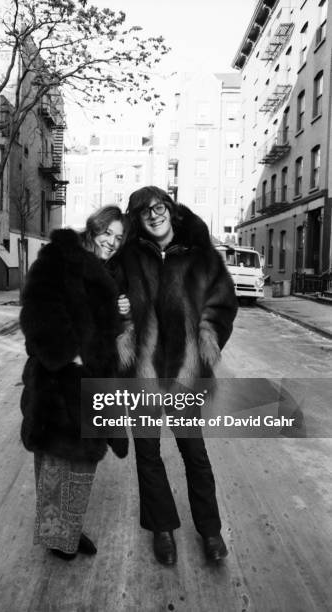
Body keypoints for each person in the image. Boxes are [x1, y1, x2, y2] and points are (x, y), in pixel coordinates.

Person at [110, 186, 238, 566]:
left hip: (183, 372)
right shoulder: (127, 257)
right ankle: (162, 528)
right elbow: (100, 292)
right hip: (143, 375)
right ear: (136, 219)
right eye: (144, 211)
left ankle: (210, 530)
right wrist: (118, 312)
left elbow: (223, 302)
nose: (154, 215)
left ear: (170, 209)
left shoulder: (198, 253)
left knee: (194, 453)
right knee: (148, 454)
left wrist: (207, 339)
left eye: (159, 206)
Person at [20, 206, 129, 560]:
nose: (111, 242)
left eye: (118, 238)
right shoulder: (59, 258)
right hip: (59, 385)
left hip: (92, 388)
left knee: (82, 467)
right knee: (56, 464)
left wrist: (119, 311)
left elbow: (101, 329)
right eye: (107, 233)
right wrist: (70, 356)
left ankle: (69, 529)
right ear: (94, 227)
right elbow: (36, 312)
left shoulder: (103, 272)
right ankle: (57, 538)